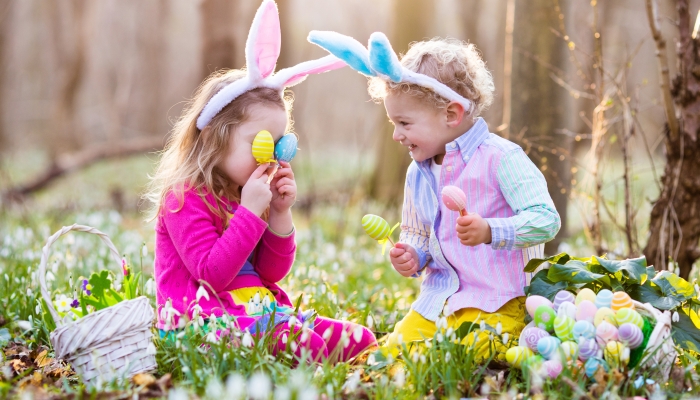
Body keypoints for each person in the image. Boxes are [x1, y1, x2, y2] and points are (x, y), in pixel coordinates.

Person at [144, 0, 376, 363]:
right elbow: (211, 275)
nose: (272, 157)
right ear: (214, 138)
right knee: (308, 345)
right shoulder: (183, 198)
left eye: (281, 142)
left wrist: (279, 214)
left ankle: (296, 342)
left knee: (359, 338)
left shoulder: (245, 190)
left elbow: (270, 272)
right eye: (262, 143)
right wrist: (251, 212)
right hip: (201, 323)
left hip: (257, 310)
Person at [309, 31, 560, 359]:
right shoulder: (418, 172)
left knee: (464, 355)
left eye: (405, 123)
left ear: (451, 115)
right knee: (391, 355)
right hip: (438, 300)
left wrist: (490, 230)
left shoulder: (502, 158)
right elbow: (417, 232)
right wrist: (414, 254)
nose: (397, 135)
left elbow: (546, 220)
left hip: (499, 300)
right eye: (393, 123)